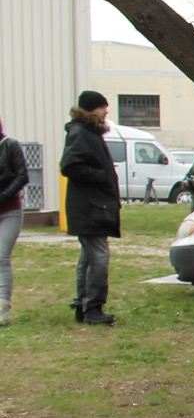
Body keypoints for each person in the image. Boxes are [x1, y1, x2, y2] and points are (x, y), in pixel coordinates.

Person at [61, 91, 119, 326]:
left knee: (88, 257)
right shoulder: (81, 133)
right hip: (90, 207)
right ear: (91, 109)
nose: (106, 111)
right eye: (103, 107)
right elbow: (69, 165)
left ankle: (82, 303)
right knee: (99, 257)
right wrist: (102, 176)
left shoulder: (87, 132)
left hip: (92, 206)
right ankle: (93, 306)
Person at [0, 116, 26, 326]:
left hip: (9, 210)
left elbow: (22, 176)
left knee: (1, 257)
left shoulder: (10, 145)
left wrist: (3, 196)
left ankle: (2, 307)